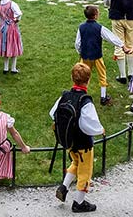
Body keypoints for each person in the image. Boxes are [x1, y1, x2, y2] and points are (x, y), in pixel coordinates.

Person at [51, 63, 104, 213]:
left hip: (69, 141)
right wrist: (100, 130)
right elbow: (89, 124)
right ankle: (79, 202)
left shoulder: (65, 95)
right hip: (83, 144)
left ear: (72, 78)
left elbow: (53, 113)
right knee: (85, 171)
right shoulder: (85, 100)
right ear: (88, 80)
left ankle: (64, 186)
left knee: (75, 162)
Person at [76, 5, 128, 106]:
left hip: (85, 56)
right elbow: (111, 37)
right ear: (95, 15)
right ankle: (103, 97)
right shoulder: (99, 28)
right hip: (97, 56)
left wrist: (81, 52)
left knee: (82, 74)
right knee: (102, 74)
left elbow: (77, 43)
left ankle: (80, 94)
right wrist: (122, 45)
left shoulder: (81, 27)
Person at [0, 0, 23, 74]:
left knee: (5, 46)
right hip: (12, 28)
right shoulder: (12, 4)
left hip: (3, 28)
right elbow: (18, 13)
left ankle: (5, 68)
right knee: (13, 46)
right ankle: (13, 68)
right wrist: (16, 20)